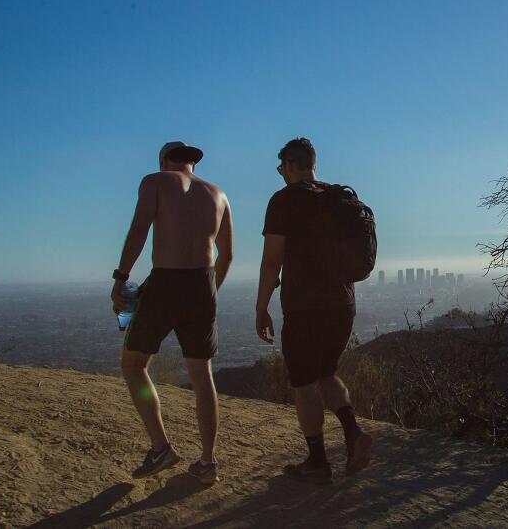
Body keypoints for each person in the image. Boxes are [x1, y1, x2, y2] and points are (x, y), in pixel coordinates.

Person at [111, 141, 233, 485]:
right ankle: (208, 461)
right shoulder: (219, 194)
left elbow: (139, 230)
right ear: (192, 163)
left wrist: (121, 277)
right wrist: (210, 291)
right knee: (201, 373)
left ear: (165, 160)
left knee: (134, 364)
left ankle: (161, 447)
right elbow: (228, 255)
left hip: (166, 281)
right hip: (203, 284)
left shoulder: (156, 181)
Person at [256, 137, 373, 484]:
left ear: (291, 164)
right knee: (325, 372)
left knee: (304, 382)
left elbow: (271, 260)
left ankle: (317, 462)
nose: (281, 174)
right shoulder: (340, 197)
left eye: (281, 168)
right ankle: (353, 435)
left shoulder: (284, 201)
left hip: (305, 306)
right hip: (343, 304)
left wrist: (262, 307)